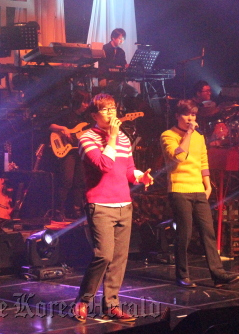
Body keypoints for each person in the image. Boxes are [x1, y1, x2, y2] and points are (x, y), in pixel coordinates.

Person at [72, 94, 154, 322]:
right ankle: (83, 300)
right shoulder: (86, 137)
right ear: (94, 115)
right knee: (103, 255)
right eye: (105, 110)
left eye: (113, 108)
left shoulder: (125, 139)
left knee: (119, 258)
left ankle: (111, 305)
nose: (111, 113)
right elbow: (104, 165)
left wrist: (141, 177)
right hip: (100, 204)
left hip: (124, 204)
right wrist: (113, 136)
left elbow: (129, 169)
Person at [160, 99, 239, 288]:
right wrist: (188, 133)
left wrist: (207, 185)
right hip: (179, 189)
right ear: (177, 116)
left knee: (208, 233)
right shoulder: (168, 135)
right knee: (185, 234)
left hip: (198, 189)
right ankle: (182, 275)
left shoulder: (199, 137)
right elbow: (179, 156)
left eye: (193, 115)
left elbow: (203, 161)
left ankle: (218, 274)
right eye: (187, 114)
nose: (190, 118)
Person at [48, 90, 91, 220]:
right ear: (78, 102)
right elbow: (50, 125)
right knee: (66, 180)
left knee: (79, 181)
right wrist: (63, 129)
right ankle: (59, 210)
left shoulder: (87, 118)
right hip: (68, 152)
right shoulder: (66, 113)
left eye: (87, 102)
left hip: (80, 151)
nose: (86, 105)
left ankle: (76, 209)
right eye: (84, 102)